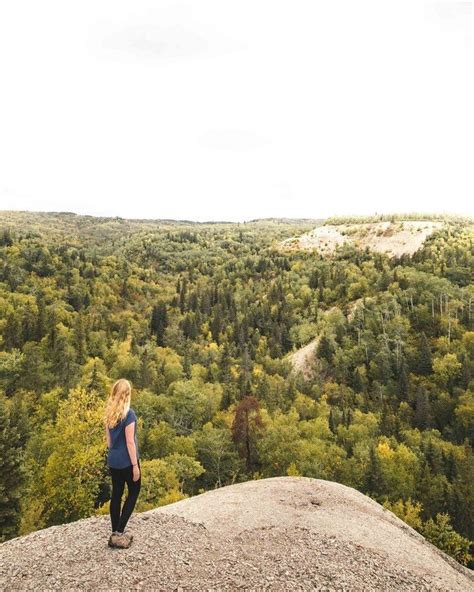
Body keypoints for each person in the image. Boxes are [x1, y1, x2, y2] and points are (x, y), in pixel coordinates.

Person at [104, 378, 141, 549]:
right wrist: (135, 466)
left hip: (113, 460)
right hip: (127, 461)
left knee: (116, 494)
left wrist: (114, 453)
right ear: (127, 395)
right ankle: (119, 532)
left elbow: (109, 443)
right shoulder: (129, 415)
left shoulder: (109, 414)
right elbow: (130, 442)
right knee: (133, 492)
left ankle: (114, 531)